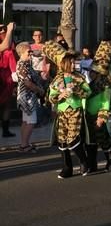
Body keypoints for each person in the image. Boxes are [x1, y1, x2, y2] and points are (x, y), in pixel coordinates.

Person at [45, 41, 92, 179]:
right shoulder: (57, 79)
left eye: (74, 63)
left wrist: (76, 89)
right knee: (62, 141)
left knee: (72, 139)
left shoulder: (80, 77)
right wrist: (60, 95)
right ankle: (67, 168)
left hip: (75, 110)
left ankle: (84, 161)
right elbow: (50, 97)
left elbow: (88, 93)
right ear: (63, 64)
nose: (73, 65)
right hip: (62, 112)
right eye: (70, 63)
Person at [85, 41, 111, 173]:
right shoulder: (92, 83)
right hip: (88, 114)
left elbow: (105, 102)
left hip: (98, 115)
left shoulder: (105, 85)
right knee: (90, 141)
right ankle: (92, 164)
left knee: (103, 139)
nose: (91, 73)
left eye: (93, 71)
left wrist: (101, 117)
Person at [15, 42, 45, 153]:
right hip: (27, 97)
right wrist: (39, 90)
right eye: (28, 51)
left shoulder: (26, 63)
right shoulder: (22, 64)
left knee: (26, 121)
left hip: (27, 96)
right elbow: (28, 83)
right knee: (31, 121)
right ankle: (24, 145)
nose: (30, 53)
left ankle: (24, 144)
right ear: (21, 53)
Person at [0, 22, 17, 137]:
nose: (3, 32)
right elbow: (5, 45)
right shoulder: (4, 45)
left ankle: (5, 130)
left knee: (7, 105)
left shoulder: (10, 45)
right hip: (0, 78)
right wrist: (10, 30)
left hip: (8, 78)